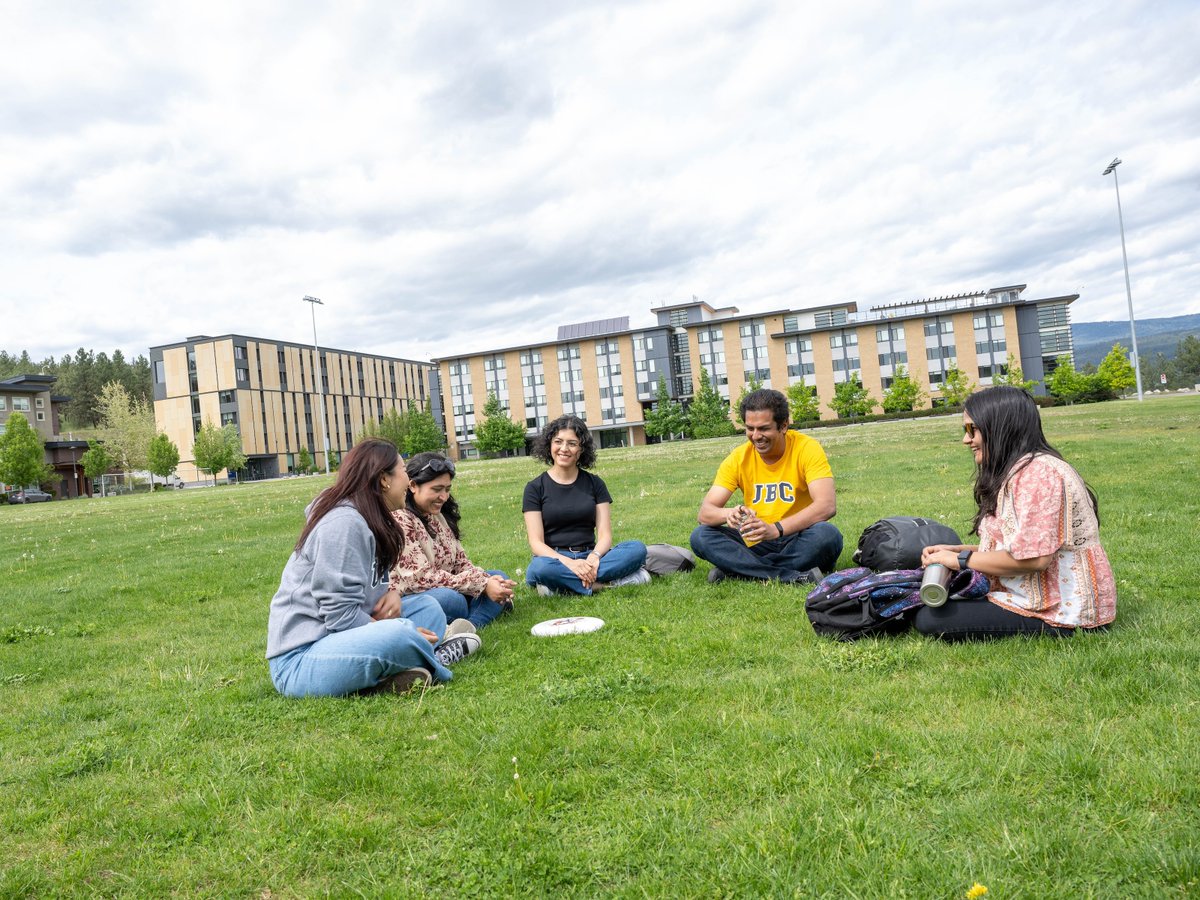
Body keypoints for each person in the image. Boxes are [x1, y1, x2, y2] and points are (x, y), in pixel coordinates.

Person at [266, 439, 482, 697]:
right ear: (384, 480)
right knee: (399, 634)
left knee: (428, 608)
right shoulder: (343, 524)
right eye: (403, 470)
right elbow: (339, 616)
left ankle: (400, 668)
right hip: (303, 657)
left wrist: (390, 593)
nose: (408, 479)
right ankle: (436, 661)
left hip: (342, 639)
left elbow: (366, 589)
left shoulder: (371, 517)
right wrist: (400, 631)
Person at [916, 386, 1116, 640]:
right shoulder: (1025, 468)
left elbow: (1034, 559)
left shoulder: (1037, 474)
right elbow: (1022, 546)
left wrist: (959, 561)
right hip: (1044, 601)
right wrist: (958, 551)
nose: (965, 440)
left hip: (1062, 614)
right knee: (931, 605)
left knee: (929, 618)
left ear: (998, 428)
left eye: (971, 430)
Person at [690, 388, 842, 584]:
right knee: (701, 536)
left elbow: (826, 505)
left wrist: (776, 529)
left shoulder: (807, 448)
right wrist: (728, 514)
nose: (755, 436)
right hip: (756, 540)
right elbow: (705, 514)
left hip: (798, 536)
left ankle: (740, 569)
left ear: (784, 425)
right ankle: (790, 576)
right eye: (750, 428)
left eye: (763, 428)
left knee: (828, 536)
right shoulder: (738, 457)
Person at [522, 414, 649, 595]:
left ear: (581, 450)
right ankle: (606, 585)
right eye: (558, 441)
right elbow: (536, 543)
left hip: (591, 556)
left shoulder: (595, 483)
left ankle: (559, 587)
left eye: (572, 444)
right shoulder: (534, 488)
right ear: (549, 444)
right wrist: (571, 564)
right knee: (539, 569)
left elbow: (605, 535)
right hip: (555, 559)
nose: (564, 449)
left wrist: (594, 557)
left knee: (637, 549)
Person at [390, 451, 516, 629]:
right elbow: (420, 579)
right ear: (412, 485)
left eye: (447, 489)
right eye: (436, 489)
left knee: (498, 576)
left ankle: (468, 627)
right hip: (415, 597)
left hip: (449, 586)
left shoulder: (438, 516)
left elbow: (461, 563)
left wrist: (488, 581)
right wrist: (481, 583)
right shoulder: (400, 519)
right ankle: (488, 609)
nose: (444, 497)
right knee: (452, 601)